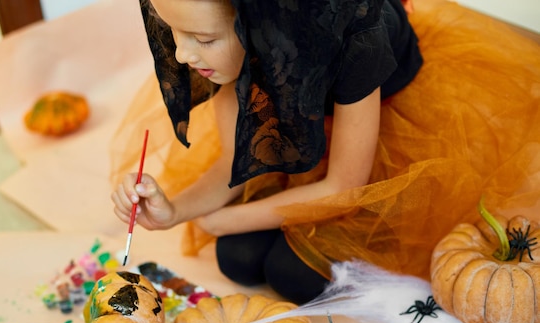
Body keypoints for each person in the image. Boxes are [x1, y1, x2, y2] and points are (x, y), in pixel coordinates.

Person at [111, 0, 424, 304]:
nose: (181, 55)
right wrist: (174, 211)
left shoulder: (359, 43)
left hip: (371, 119)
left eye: (204, 39)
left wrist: (222, 221)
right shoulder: (220, 57)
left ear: (259, 27)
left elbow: (343, 188)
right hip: (288, 74)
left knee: (293, 274)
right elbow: (234, 161)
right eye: (173, 31)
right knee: (237, 259)